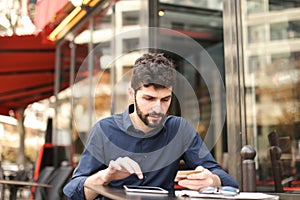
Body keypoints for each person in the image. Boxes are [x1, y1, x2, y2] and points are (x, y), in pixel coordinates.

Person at [63, 53, 238, 200]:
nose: (158, 108)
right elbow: (73, 192)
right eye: (149, 99)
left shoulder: (179, 130)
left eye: (165, 100)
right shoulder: (104, 130)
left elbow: (227, 181)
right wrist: (105, 176)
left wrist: (213, 180)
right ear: (132, 94)